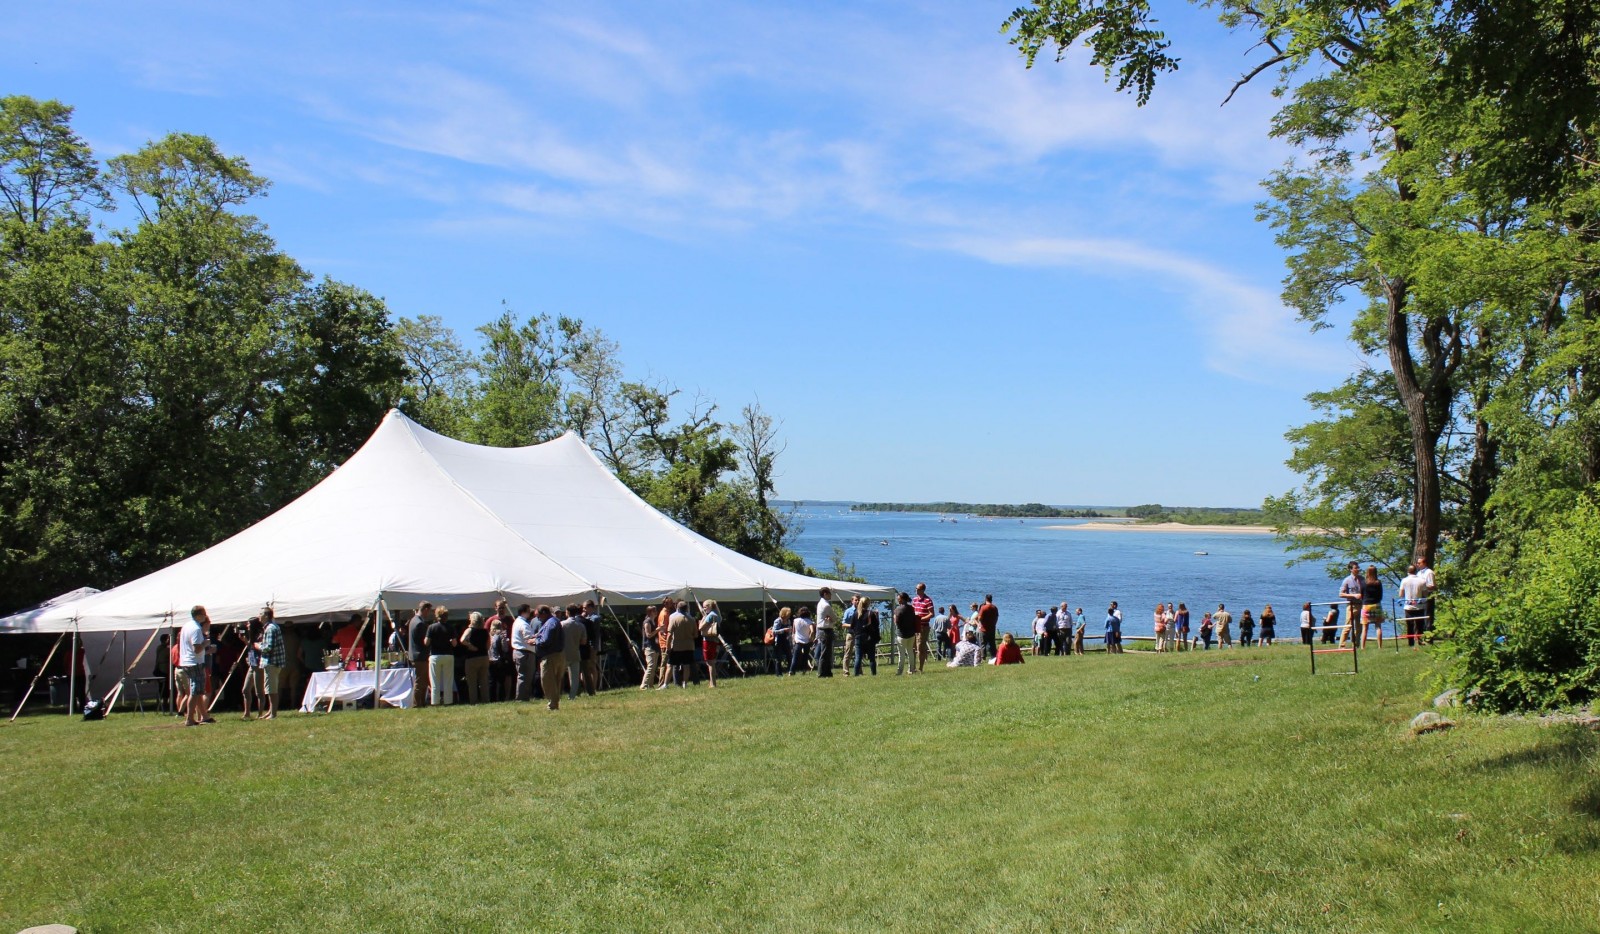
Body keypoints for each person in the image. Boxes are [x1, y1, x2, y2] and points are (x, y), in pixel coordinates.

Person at [179, 606, 214, 726]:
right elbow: (197, 648)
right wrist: (206, 643)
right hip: (195, 662)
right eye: (204, 614)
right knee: (195, 692)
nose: (205, 616)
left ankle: (204, 716)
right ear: (198, 615)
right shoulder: (196, 629)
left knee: (198, 691)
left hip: (185, 662)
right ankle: (189, 718)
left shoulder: (186, 626)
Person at [533, 605, 565, 710]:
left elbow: (546, 641)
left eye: (538, 616)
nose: (538, 619)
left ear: (544, 613)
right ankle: (554, 703)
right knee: (554, 681)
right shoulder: (552, 621)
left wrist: (534, 641)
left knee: (547, 680)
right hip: (555, 655)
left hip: (550, 657)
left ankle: (552, 704)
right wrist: (537, 636)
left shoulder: (551, 623)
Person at [255, 608, 285, 719]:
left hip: (271, 662)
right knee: (269, 688)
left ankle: (273, 714)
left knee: (271, 690)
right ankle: (270, 711)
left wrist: (258, 646)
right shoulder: (272, 627)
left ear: (266, 616)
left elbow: (268, 647)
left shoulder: (270, 629)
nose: (259, 615)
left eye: (261, 614)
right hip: (274, 662)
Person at [426, 607, 457, 706]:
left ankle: (435, 701)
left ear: (436, 615)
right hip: (448, 655)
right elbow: (454, 644)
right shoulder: (450, 627)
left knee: (435, 681)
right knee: (448, 680)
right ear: (446, 616)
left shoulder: (431, 627)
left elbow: (426, 642)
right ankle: (448, 701)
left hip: (435, 655)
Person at [459, 611, 490, 704]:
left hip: (472, 658)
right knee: (484, 681)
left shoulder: (469, 630)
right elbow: (488, 645)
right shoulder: (485, 631)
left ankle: (474, 701)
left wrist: (470, 646)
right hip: (484, 657)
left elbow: (462, 640)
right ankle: (485, 700)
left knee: (472, 682)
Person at [511, 604, 539, 702]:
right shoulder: (523, 624)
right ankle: (521, 698)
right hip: (524, 653)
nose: (529, 613)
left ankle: (523, 697)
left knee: (523, 675)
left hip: (520, 651)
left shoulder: (517, 622)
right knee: (525, 676)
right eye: (528, 611)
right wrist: (538, 638)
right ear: (524, 612)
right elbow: (528, 639)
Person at [407, 601, 433, 707]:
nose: (429, 614)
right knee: (420, 681)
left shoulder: (413, 620)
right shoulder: (420, 623)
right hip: (420, 655)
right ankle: (417, 703)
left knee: (423, 681)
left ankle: (422, 702)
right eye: (429, 611)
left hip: (415, 655)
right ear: (425, 609)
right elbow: (423, 642)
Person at [667, 600, 698, 687]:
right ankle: (685, 683)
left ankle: (673, 683)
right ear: (686, 608)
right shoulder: (692, 619)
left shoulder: (674, 619)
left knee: (674, 665)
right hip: (689, 645)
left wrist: (668, 646)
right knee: (687, 665)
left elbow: (669, 634)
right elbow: (696, 635)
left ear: (677, 608)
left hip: (677, 646)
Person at [560, 604, 588, 699]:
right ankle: (572, 696)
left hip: (563, 653)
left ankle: (557, 694)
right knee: (575, 677)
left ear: (567, 612)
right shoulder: (581, 625)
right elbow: (583, 642)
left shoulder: (562, 624)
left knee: (558, 675)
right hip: (576, 652)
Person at [850, 597, 879, 676]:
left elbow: (852, 627)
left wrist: (856, 633)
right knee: (872, 657)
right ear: (868, 604)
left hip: (858, 637)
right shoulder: (871, 613)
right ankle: (873, 673)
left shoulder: (856, 613)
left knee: (858, 657)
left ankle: (856, 674)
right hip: (869, 637)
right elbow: (876, 625)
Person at [1398, 564, 1426, 647]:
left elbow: (1401, 594)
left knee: (1409, 625)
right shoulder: (1422, 581)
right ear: (1416, 571)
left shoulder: (1404, 580)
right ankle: (1420, 641)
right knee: (1420, 625)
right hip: (1419, 606)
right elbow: (1425, 594)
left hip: (1408, 606)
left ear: (1408, 572)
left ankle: (1411, 642)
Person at [488, 616, 514, 702]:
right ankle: (501, 698)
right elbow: (505, 648)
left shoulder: (489, 635)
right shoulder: (501, 634)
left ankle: (492, 698)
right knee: (501, 681)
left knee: (492, 681)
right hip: (499, 660)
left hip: (490, 660)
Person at [1338, 561, 1363, 647]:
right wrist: (1354, 595)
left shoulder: (1362, 579)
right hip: (1351, 605)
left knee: (1359, 627)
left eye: (1358, 567)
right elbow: (1341, 594)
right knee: (1348, 626)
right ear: (1351, 569)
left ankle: (1356, 644)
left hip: (1361, 605)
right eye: (1355, 568)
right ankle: (1342, 646)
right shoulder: (1347, 580)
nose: (1358, 569)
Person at [698, 599, 722, 688]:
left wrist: (703, 618)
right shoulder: (718, 615)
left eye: (704, 607)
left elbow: (700, 628)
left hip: (708, 640)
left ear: (709, 607)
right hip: (715, 640)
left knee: (709, 663)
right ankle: (712, 682)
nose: (704, 609)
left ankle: (712, 683)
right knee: (712, 662)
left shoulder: (710, 616)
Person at [1360, 564, 1385, 647]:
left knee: (1365, 628)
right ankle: (1379, 646)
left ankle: (1363, 647)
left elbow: (1362, 594)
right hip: (1376, 605)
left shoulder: (1363, 582)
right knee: (1378, 626)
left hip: (1366, 605)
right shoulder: (1378, 583)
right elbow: (1381, 595)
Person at [580, 599, 602, 695]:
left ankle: (593, 687)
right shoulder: (586, 617)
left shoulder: (595, 618)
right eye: (583, 608)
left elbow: (590, 628)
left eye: (585, 608)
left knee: (592, 666)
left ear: (591, 607)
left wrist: (583, 618)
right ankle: (586, 687)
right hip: (585, 645)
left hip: (592, 645)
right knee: (585, 667)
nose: (584, 610)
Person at [894, 593, 919, 675]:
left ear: (902, 599)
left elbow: (897, 622)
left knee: (901, 654)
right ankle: (911, 669)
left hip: (901, 634)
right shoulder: (911, 608)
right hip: (911, 633)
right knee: (910, 652)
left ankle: (899, 671)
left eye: (899, 598)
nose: (898, 599)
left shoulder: (898, 609)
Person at [912, 583, 935, 672]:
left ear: (922, 590)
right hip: (914, 626)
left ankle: (920, 667)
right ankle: (912, 667)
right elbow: (913, 610)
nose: (916, 590)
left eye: (918, 589)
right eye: (916, 588)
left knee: (920, 647)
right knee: (912, 646)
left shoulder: (928, 600)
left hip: (923, 626)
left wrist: (921, 619)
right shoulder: (914, 600)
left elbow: (932, 614)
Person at [639, 605, 662, 690]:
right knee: (651, 666)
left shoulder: (653, 621)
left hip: (654, 646)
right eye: (654, 611)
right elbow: (648, 635)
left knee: (654, 667)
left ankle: (650, 685)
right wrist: (658, 629)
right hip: (649, 647)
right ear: (650, 612)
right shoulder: (647, 622)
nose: (656, 612)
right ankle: (643, 685)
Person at [1414, 554, 1437, 635]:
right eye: (1417, 563)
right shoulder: (1418, 573)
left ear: (1424, 563)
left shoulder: (1429, 572)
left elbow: (1432, 586)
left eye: (1419, 563)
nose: (1417, 564)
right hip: (1419, 597)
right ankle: (1420, 633)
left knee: (1427, 615)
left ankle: (1428, 634)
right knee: (1419, 615)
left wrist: (1422, 586)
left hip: (1427, 597)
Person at [789, 605, 814, 675]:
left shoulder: (795, 620)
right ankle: (804, 670)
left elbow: (793, 631)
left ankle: (791, 671)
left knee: (795, 657)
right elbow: (812, 631)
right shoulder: (809, 621)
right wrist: (810, 638)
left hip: (798, 640)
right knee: (805, 657)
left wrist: (793, 639)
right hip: (806, 641)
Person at [770, 607, 793, 675]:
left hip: (786, 640)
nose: (789, 615)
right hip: (779, 640)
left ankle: (790, 671)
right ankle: (778, 673)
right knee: (778, 658)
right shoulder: (778, 621)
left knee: (789, 656)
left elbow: (789, 630)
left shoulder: (788, 621)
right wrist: (783, 630)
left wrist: (789, 631)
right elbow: (774, 631)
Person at [977, 595, 999, 660]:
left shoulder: (983, 607)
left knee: (983, 643)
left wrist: (980, 622)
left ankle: (983, 657)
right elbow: (997, 617)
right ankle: (993, 656)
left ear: (986, 599)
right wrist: (994, 623)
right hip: (992, 628)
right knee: (992, 643)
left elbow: (980, 617)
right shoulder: (994, 607)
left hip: (983, 628)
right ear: (991, 599)